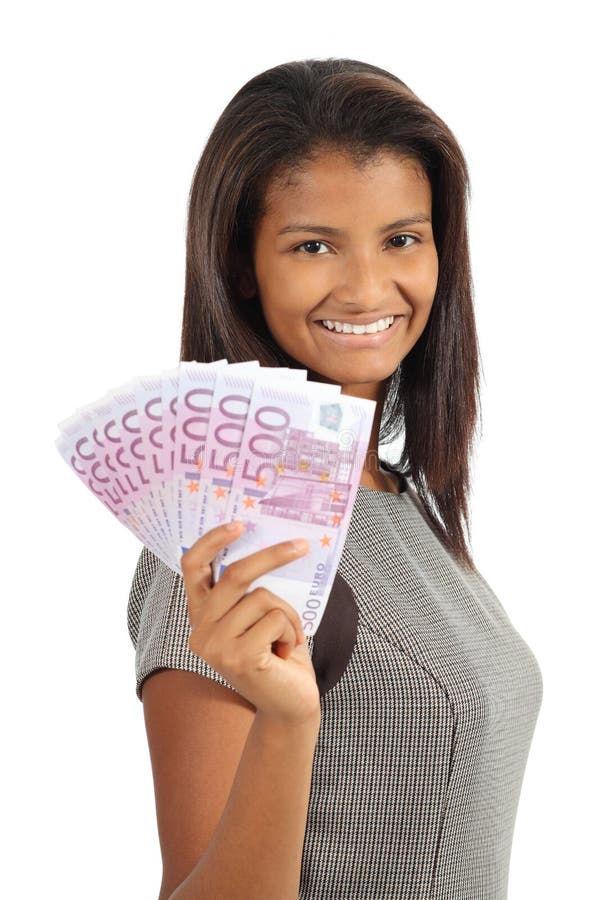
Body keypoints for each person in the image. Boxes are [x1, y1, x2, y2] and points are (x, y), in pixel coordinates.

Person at [128, 58, 543, 899]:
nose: (367, 288)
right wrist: (287, 720)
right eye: (314, 245)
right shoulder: (219, 538)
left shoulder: (404, 499)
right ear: (244, 266)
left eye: (402, 238)